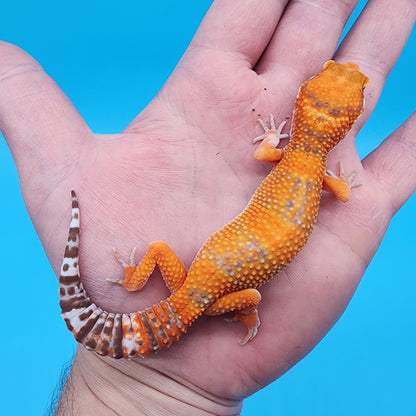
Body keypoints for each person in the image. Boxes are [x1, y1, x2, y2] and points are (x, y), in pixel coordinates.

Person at [1, 1, 415, 414]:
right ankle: (197, 304)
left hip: (201, 281)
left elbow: (266, 154)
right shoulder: (320, 175)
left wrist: (271, 136)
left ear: (303, 102)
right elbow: (341, 194)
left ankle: (132, 282)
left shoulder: (285, 156)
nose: (350, 77)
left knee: (231, 285)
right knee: (238, 290)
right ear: (347, 121)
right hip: (208, 293)